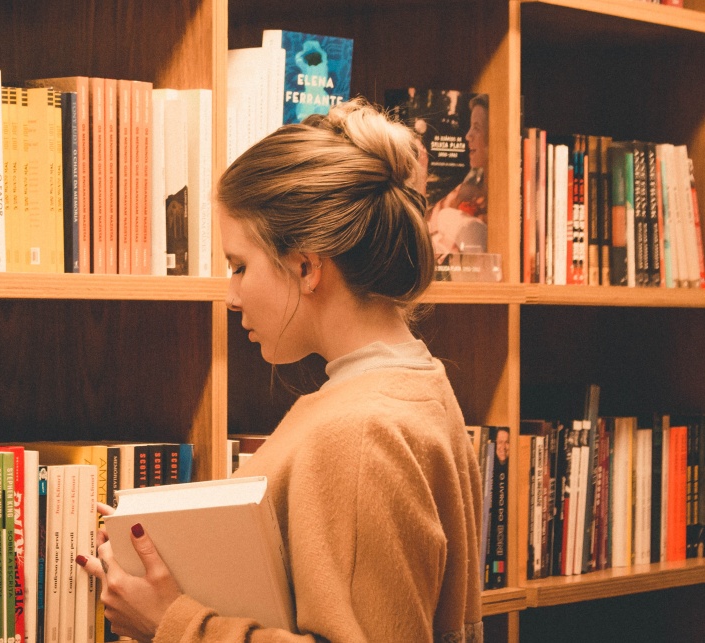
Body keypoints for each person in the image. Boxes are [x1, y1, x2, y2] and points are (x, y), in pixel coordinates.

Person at [77, 98, 483, 642]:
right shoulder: (413, 383)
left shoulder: (361, 432)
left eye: (240, 266)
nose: (230, 295)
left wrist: (171, 623)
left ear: (307, 266)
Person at [428, 94, 488, 254]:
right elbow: (436, 213)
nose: (468, 136)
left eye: (477, 128)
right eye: (470, 127)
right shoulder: (474, 181)